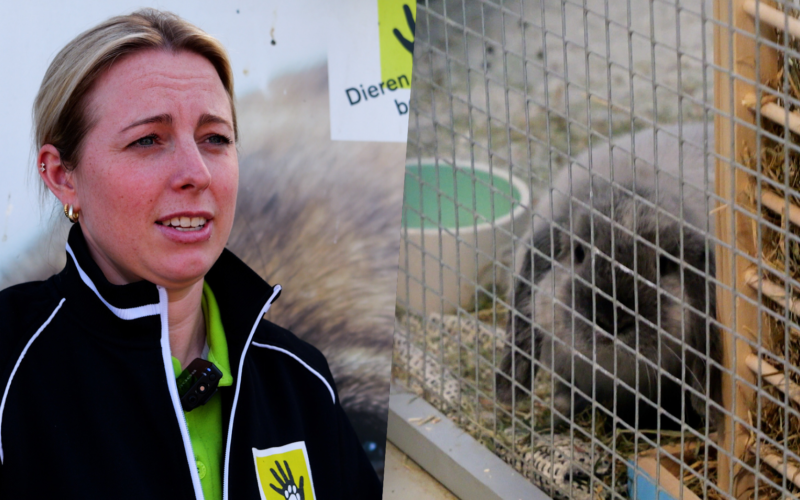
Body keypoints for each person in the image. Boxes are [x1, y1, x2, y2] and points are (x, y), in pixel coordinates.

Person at [0, 9, 382, 499]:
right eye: (147, 140)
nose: (195, 172)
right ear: (61, 176)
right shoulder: (12, 364)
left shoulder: (298, 375)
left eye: (215, 139)